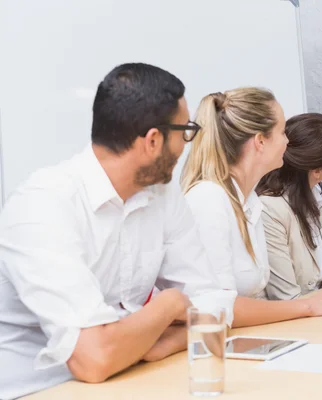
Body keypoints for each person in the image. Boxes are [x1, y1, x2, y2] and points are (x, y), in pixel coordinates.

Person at [0, 63, 236, 399]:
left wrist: (152, 347)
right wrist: (168, 306)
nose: (186, 146)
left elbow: (214, 303)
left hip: (128, 377)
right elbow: (93, 359)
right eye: (184, 132)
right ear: (153, 140)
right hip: (40, 390)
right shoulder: (44, 204)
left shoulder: (161, 194)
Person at [181, 88, 322, 327]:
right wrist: (306, 306)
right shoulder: (209, 199)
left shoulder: (248, 201)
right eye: (282, 132)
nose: (288, 141)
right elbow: (219, 308)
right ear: (260, 142)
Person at [256, 113, 322, 300]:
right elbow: (285, 297)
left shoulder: (316, 196)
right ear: (316, 170)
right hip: (295, 319)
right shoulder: (270, 210)